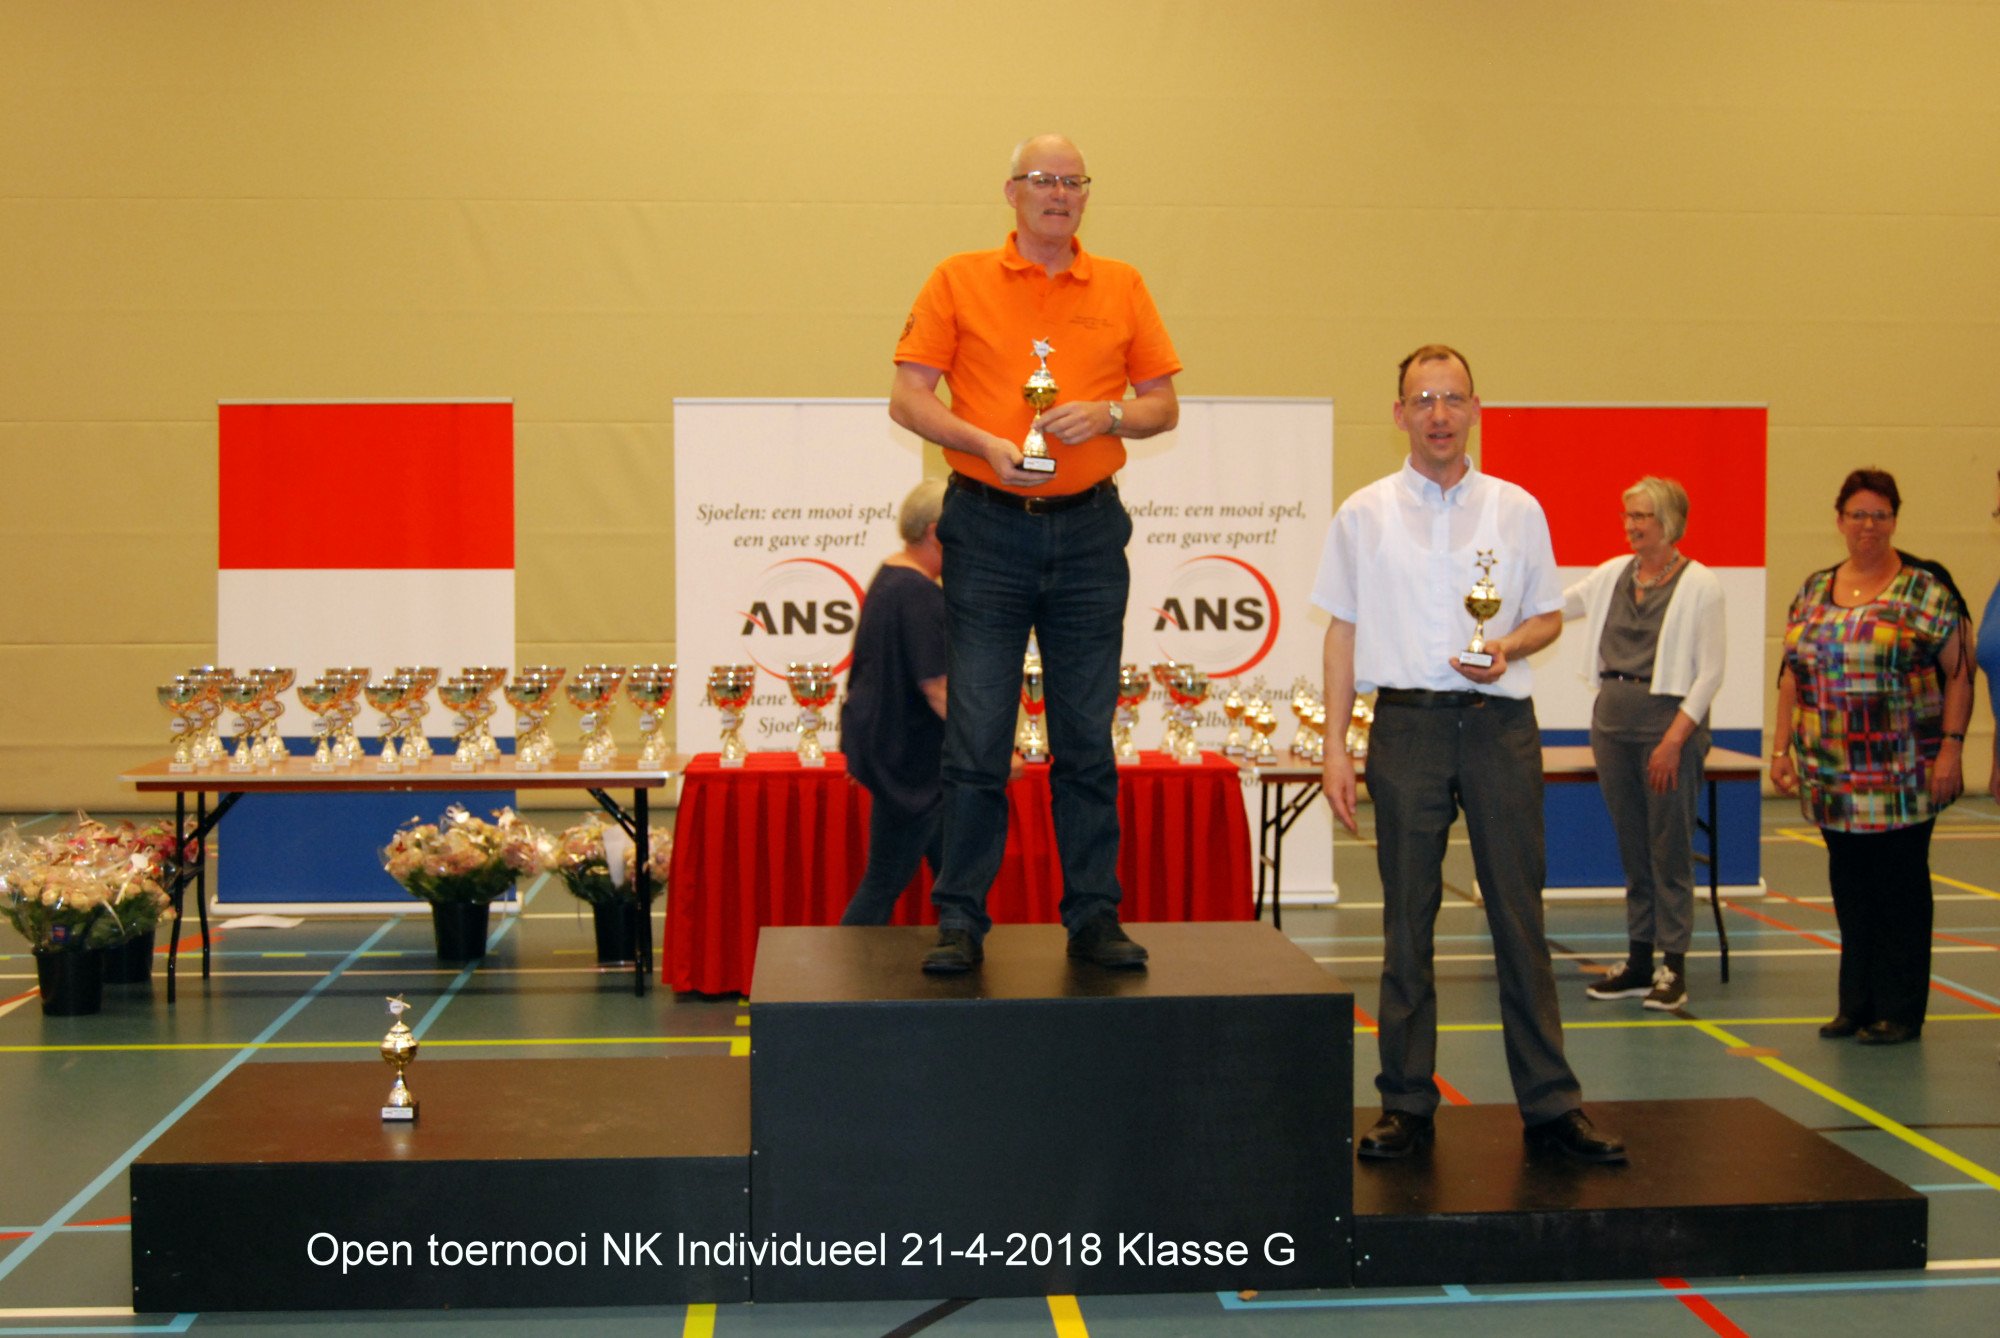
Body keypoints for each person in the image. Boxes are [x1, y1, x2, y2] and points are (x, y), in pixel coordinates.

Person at [1314, 344, 1625, 1164]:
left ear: (1476, 410)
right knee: (1405, 923)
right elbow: (1341, 632)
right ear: (1399, 415)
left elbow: (1548, 615)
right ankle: (1406, 1104)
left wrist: (1510, 645)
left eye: (1453, 398)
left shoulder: (1517, 509)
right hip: (1405, 730)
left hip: (1499, 729)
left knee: (1520, 917)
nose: (1439, 414)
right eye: (1423, 399)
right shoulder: (1363, 515)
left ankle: (1552, 1107)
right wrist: (1335, 748)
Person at [889, 133, 1182, 974]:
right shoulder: (958, 278)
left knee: (1086, 738)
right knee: (978, 736)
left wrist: (1110, 415)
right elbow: (907, 398)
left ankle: (1093, 915)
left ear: (1086, 194)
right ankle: (960, 918)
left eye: (1073, 181)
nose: (1059, 193)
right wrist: (982, 442)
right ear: (1011, 192)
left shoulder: (1122, 284)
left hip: (1089, 533)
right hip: (986, 527)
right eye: (1043, 179)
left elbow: (1161, 406)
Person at [1772, 468, 1972, 1045]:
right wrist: (1781, 749)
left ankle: (1900, 1009)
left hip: (1904, 774)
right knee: (1850, 889)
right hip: (1832, 775)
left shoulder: (1925, 590)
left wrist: (1952, 748)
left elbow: (1960, 674)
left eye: (1880, 515)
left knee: (1899, 889)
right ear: (1839, 521)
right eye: (1858, 514)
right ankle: (1855, 1004)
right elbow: (1792, 675)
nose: (1868, 525)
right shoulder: (1814, 589)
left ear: (1894, 522)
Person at [1563, 477, 1726, 1012]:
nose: (1630, 525)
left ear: (1669, 523)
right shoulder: (1612, 573)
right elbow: (1556, 606)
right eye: (1626, 515)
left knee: (1669, 848)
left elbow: (1709, 674)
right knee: (1633, 847)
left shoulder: (1701, 585)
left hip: (1667, 729)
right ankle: (1638, 960)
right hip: (1612, 726)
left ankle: (1672, 965)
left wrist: (1674, 741)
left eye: (1641, 517)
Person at [837, 479, 949, 926]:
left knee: (954, 880)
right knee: (884, 883)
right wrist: (992, 751)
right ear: (937, 532)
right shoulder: (917, 593)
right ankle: (849, 971)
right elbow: (937, 688)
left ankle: (962, 951)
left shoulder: (889, 578)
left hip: (898, 755)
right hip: (914, 767)